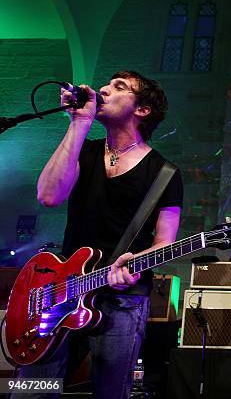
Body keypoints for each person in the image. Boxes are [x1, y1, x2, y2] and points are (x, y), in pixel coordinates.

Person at [17, 71, 183, 399]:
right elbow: (48, 196)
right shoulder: (84, 151)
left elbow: (165, 242)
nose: (104, 89)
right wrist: (78, 123)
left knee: (110, 392)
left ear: (142, 110)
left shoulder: (166, 175)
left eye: (119, 87)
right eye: (107, 84)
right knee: (31, 390)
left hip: (122, 299)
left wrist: (136, 263)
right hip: (61, 290)